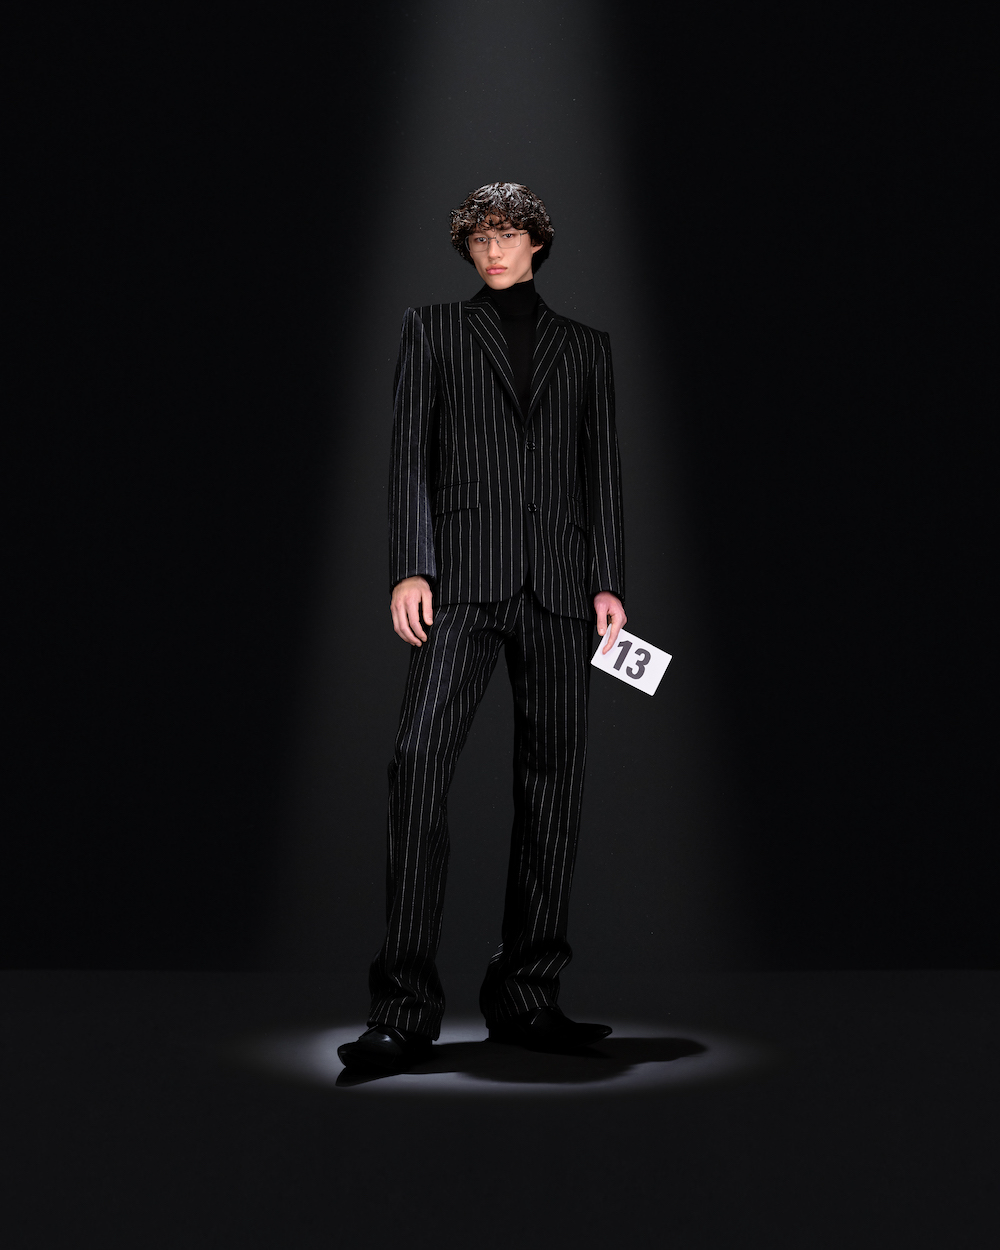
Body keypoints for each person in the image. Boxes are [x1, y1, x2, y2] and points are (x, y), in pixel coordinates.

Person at [338, 182, 626, 1073]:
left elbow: (602, 472)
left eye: (507, 235)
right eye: (479, 238)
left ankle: (527, 997)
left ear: (537, 242)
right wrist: (409, 565)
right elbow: (408, 453)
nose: (492, 250)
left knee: (554, 789)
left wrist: (609, 584)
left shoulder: (588, 347)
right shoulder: (432, 329)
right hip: (460, 581)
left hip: (562, 590)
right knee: (419, 765)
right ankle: (404, 1009)